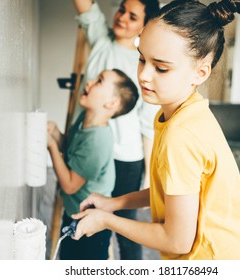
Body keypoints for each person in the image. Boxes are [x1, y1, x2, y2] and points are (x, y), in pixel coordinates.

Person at [71, 0, 240, 260]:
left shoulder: (181, 134)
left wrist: (107, 221)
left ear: (200, 72)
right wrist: (112, 203)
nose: (144, 76)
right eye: (141, 59)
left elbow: (177, 240)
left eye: (161, 68)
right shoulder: (181, 112)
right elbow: (171, 192)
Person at [72, 0, 160, 260]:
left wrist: (148, 169)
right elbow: (84, 7)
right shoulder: (100, 39)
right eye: (122, 9)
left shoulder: (144, 63)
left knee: (124, 226)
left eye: (133, 17)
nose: (122, 18)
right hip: (92, 149)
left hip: (125, 159)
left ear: (144, 25)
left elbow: (148, 123)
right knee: (91, 220)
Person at [47, 68, 139, 260]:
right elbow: (73, 151)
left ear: (111, 103)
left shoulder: (98, 141)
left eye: (99, 81)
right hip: (75, 212)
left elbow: (70, 185)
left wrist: (51, 148)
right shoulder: (84, 119)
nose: (89, 82)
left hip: (93, 223)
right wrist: (56, 134)